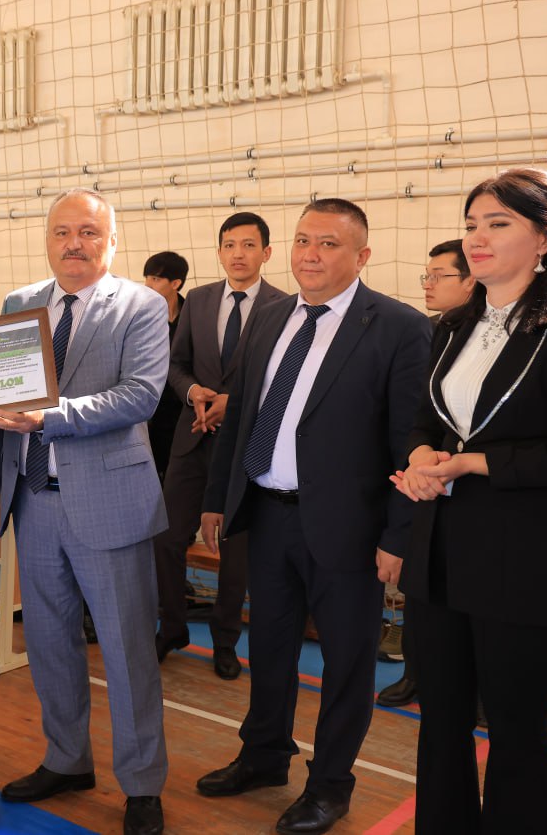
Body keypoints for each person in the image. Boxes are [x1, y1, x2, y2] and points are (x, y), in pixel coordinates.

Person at [389, 168, 547, 834]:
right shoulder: (451, 327)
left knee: (516, 736)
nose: (476, 238)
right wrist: (422, 457)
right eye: (471, 225)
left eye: (497, 223)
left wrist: (474, 463)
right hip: (438, 560)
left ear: (546, 239)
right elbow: (427, 420)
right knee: (440, 726)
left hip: (522, 567)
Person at [196, 198, 430, 835]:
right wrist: (217, 498)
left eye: (329, 244)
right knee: (269, 648)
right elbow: (241, 415)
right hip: (268, 517)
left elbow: (410, 442)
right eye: (303, 240)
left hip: (350, 530)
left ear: (362, 255)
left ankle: (330, 785)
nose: (311, 255)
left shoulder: (400, 328)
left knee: (347, 664)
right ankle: (264, 755)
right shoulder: (271, 316)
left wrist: (398, 536)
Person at [0, 188, 170, 835]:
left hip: (111, 503)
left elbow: (140, 395)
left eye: (88, 232)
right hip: (33, 501)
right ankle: (66, 758)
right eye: (62, 232)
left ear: (111, 241)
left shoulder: (141, 306)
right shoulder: (18, 305)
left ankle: (142, 784)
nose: (74, 244)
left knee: (127, 651)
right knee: (50, 643)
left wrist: (48, 416)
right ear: (48, 239)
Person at [153, 212, 287, 678]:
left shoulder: (284, 306)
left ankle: (225, 641)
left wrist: (236, 402)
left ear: (266, 252)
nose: (238, 254)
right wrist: (193, 392)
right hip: (192, 440)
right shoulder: (199, 300)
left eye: (248, 245)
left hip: (246, 449)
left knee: (235, 552)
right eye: (229, 245)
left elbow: (281, 379)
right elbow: (175, 365)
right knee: (166, 538)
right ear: (219, 252)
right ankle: (172, 627)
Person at [376, 239, 476, 708]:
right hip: (423, 482)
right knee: (419, 587)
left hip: (477, 489)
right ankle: (415, 674)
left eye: (440, 275)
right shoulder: (432, 331)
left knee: (471, 596)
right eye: (427, 275)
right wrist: (419, 457)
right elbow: (417, 415)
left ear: (471, 281)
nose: (428, 284)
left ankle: (479, 692)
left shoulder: (502, 338)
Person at [142, 251, 189, 480]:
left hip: (185, 407)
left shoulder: (194, 314)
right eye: (147, 278)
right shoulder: (141, 317)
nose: (147, 285)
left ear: (176, 283)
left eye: (155, 279)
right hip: (153, 408)